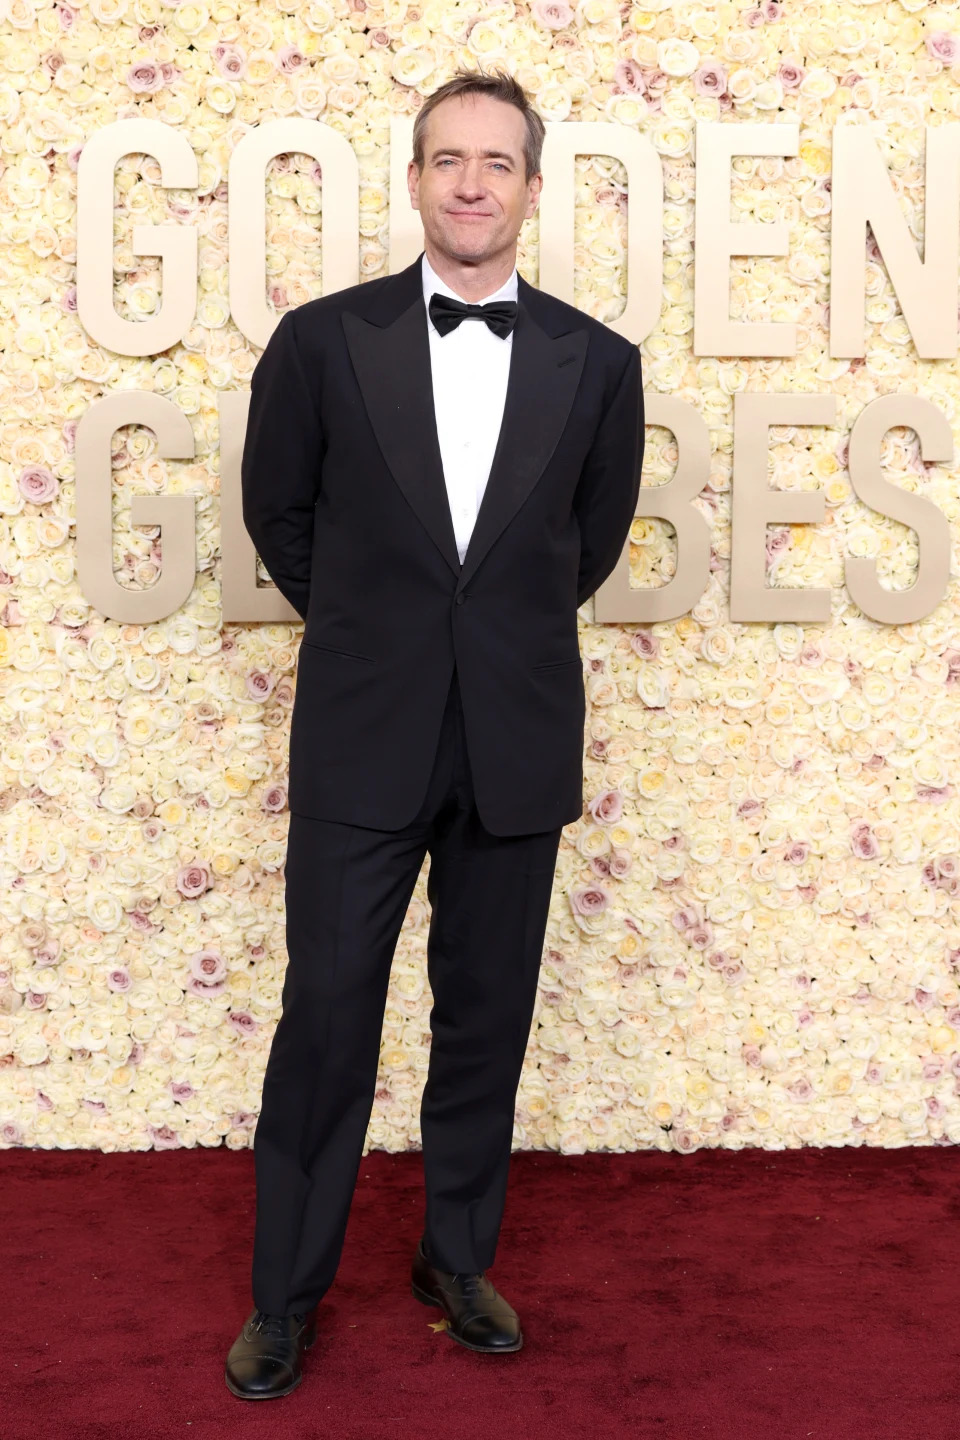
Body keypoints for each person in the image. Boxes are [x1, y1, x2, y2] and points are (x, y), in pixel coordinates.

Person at [226, 65, 644, 1399]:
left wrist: (479, 649)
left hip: (515, 739)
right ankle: (284, 1294)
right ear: (415, 180)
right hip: (363, 738)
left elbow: (588, 544)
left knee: (487, 1019)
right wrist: (382, 638)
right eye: (448, 160)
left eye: (497, 163)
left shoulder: (600, 363)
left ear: (529, 186)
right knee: (328, 1017)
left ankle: (455, 1257)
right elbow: (280, 518)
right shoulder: (319, 343)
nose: (472, 182)